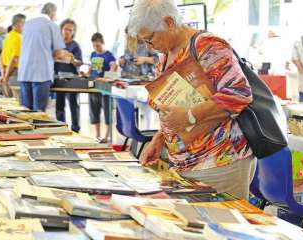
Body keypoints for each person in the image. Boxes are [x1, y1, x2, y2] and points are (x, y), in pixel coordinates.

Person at [128, 0, 255, 200]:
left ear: (169, 22)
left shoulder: (208, 46)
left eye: (150, 39)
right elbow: (175, 106)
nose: (150, 47)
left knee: (220, 227)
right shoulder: (166, 55)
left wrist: (189, 116)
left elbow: (239, 93)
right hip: (184, 165)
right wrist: (159, 138)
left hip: (218, 161)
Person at [18, 3, 71, 112]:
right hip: (41, 74)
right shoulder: (52, 26)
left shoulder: (27, 24)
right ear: (53, 12)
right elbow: (58, 53)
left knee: (25, 112)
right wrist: (68, 57)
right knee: (39, 113)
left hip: (24, 72)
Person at [55, 19, 83, 133]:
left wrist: (73, 60)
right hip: (58, 78)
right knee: (59, 105)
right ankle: (61, 128)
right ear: (61, 29)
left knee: (73, 104)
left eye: (70, 30)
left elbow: (80, 62)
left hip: (71, 79)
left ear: (73, 32)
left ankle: (75, 129)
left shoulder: (75, 46)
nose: (68, 32)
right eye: (66, 29)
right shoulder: (56, 44)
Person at [88, 33, 117, 143]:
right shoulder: (93, 54)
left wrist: (111, 70)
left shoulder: (108, 54)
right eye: (94, 46)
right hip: (94, 86)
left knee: (107, 111)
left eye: (98, 45)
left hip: (105, 87)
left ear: (103, 43)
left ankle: (107, 135)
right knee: (94, 111)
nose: (96, 48)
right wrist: (86, 73)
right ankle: (97, 135)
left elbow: (113, 65)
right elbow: (91, 68)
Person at [0, 14, 26, 97]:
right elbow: (14, 59)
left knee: (8, 100)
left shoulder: (8, 36)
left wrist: (3, 73)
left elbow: (1, 57)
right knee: (16, 100)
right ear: (19, 23)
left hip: (6, 69)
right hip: (14, 72)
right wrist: (6, 76)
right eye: (24, 24)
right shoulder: (18, 38)